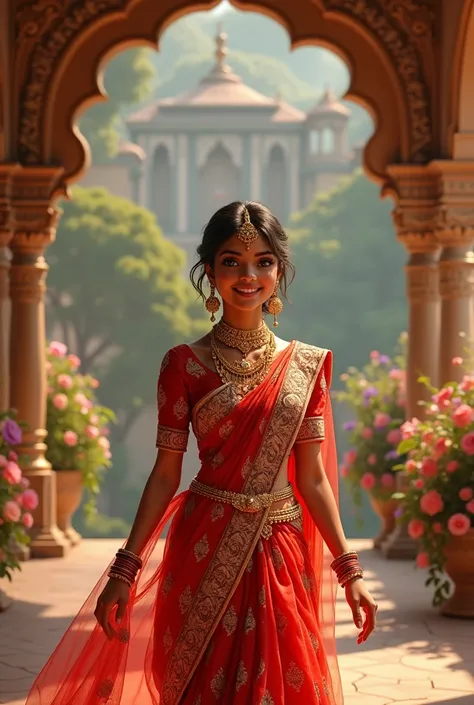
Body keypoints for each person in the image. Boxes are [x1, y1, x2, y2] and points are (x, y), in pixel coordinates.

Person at [26, 201, 377, 705]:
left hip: (280, 549)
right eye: (232, 261)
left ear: (279, 271)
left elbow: (314, 478)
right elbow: (165, 475)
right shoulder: (184, 365)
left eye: (264, 262)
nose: (248, 275)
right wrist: (125, 569)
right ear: (209, 271)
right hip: (203, 545)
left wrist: (350, 572)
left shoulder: (307, 366)